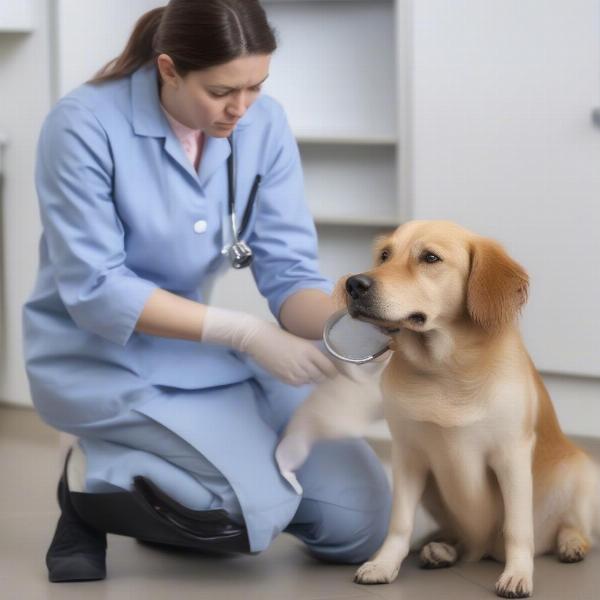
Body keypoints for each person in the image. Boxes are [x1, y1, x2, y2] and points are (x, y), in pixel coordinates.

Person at [22, 0, 391, 583]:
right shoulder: (84, 123)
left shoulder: (261, 124)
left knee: (359, 525)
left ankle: (202, 479)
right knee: (252, 516)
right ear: (169, 69)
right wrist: (246, 333)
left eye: (256, 86)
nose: (240, 108)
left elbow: (289, 270)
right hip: (100, 361)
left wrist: (353, 331)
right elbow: (95, 289)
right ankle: (90, 481)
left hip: (205, 355)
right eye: (221, 91)